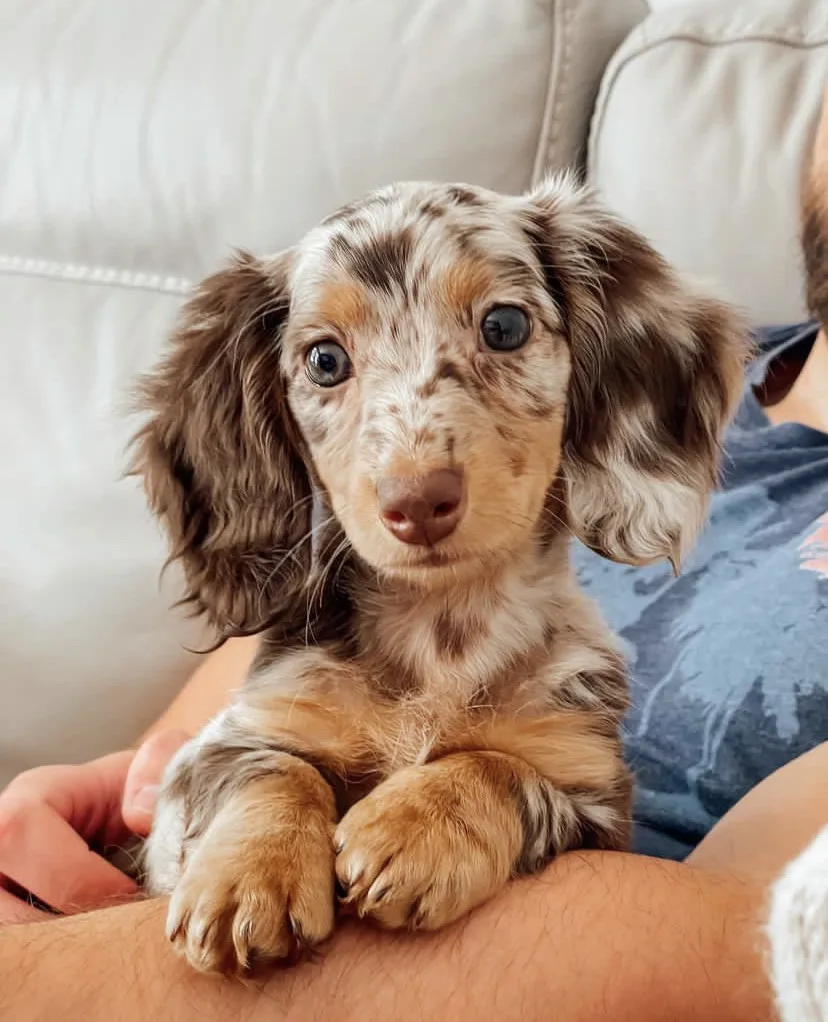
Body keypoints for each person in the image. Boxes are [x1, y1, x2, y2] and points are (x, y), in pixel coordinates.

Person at [2, 89, 828, 1022]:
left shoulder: (635, 409)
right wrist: (183, 800)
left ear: (609, 371)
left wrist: (482, 796)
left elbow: (738, 947)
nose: (414, 467)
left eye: (502, 331)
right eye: (327, 363)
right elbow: (194, 756)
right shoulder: (311, 617)